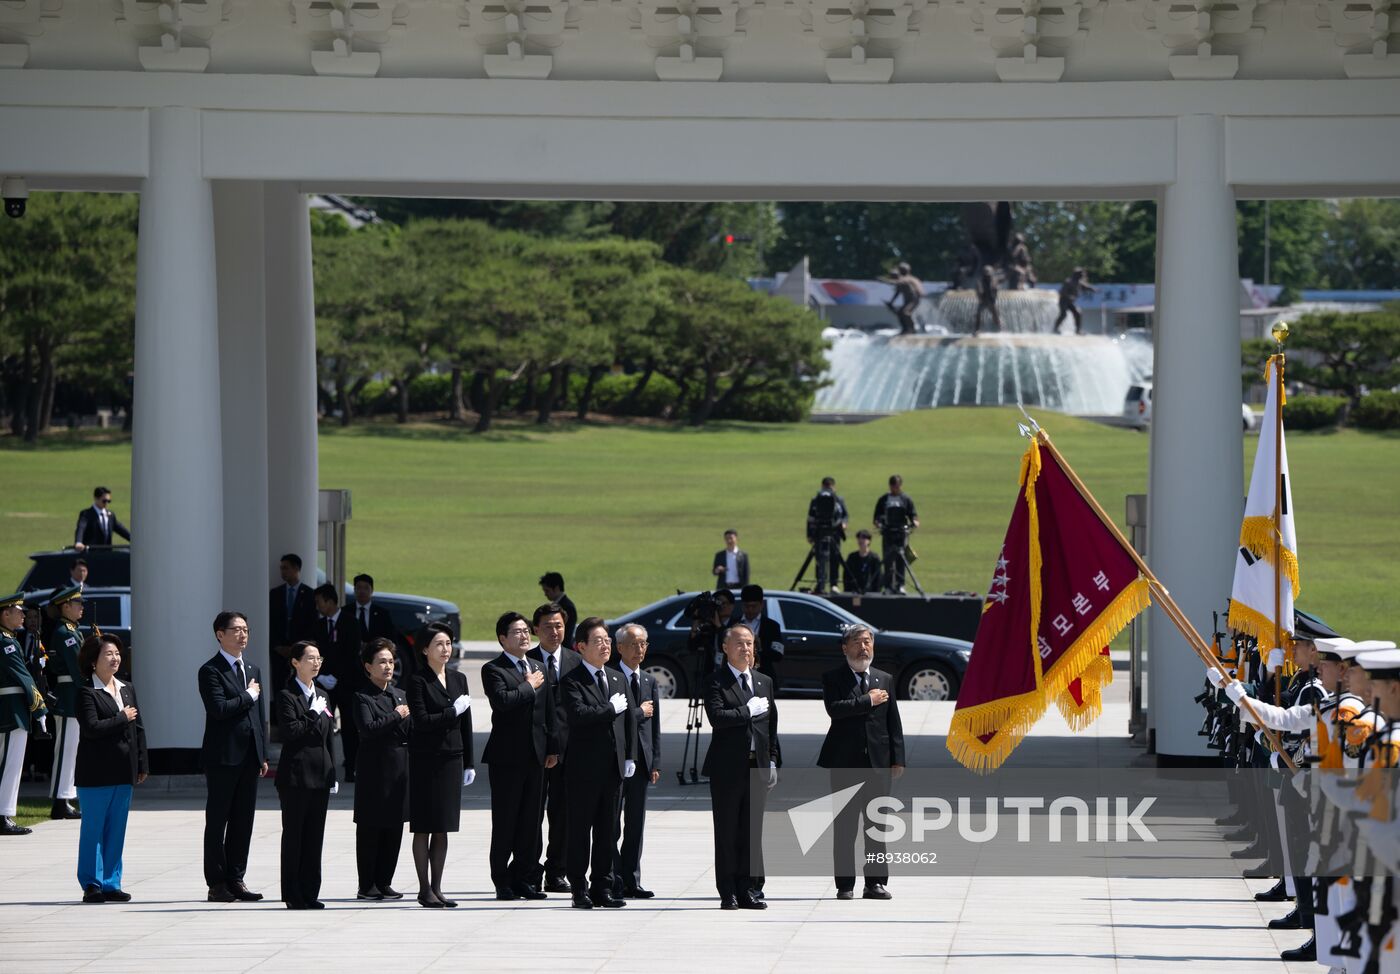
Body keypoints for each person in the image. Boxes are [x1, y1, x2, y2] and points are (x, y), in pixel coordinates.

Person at [817, 624, 904, 901]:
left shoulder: (884, 678)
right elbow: (836, 710)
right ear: (845, 648)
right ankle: (845, 884)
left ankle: (875, 882)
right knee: (845, 827)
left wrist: (897, 758)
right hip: (844, 764)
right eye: (857, 642)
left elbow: (893, 722)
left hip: (878, 765)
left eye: (867, 642)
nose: (863, 647)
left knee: (876, 825)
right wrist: (868, 700)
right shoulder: (834, 678)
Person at [482, 611, 557, 901]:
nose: (524, 636)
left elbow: (549, 711)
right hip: (507, 759)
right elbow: (503, 703)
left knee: (531, 821)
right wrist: (529, 686)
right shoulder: (493, 669)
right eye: (517, 632)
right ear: (503, 639)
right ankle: (502, 880)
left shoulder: (539, 666)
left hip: (536, 756)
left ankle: (525, 878)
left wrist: (552, 748)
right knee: (506, 821)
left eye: (526, 631)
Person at [561, 617, 635, 909]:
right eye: (598, 641)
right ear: (581, 647)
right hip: (583, 769)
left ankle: (602, 886)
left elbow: (628, 719)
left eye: (607, 640)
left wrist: (631, 756)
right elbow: (579, 715)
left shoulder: (617, 677)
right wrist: (608, 709)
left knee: (608, 831)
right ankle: (579, 888)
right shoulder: (571, 680)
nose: (605, 646)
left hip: (613, 768)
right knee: (580, 831)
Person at [703, 625, 778, 910]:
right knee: (727, 831)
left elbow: (771, 726)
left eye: (749, 644)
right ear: (725, 647)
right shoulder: (715, 681)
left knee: (751, 831)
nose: (745, 649)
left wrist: (771, 759)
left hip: (755, 766)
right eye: (739, 644)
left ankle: (748, 888)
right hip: (727, 769)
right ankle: (728, 890)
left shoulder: (763, 682)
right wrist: (748, 711)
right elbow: (718, 717)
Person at [198, 610, 268, 903]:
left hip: (249, 756)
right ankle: (217, 882)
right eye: (236, 630)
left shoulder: (251, 669)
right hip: (223, 756)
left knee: (244, 820)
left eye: (246, 630)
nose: (243, 635)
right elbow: (219, 709)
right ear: (220, 634)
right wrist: (248, 696)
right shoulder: (210, 671)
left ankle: (236, 877)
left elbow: (259, 715)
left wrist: (262, 753)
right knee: (218, 820)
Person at [74, 632, 147, 902]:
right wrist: (121, 717)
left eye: (117, 653)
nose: (115, 658)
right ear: (93, 661)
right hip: (96, 773)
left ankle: (111, 883)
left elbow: (138, 729)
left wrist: (142, 763)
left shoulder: (127, 688)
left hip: (123, 771)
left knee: (117, 829)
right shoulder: (86, 692)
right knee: (93, 830)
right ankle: (91, 884)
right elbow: (92, 729)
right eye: (108, 654)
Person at [407, 622, 474, 908]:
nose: (445, 649)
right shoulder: (417, 681)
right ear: (425, 649)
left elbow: (467, 723)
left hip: (452, 758)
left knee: (443, 826)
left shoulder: (459, 679)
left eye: (448, 643)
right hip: (426, 759)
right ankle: (424, 888)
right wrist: (450, 712)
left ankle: (437, 886)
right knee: (424, 825)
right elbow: (421, 722)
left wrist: (469, 761)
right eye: (438, 644)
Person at [274, 640, 336, 910]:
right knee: (295, 836)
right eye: (310, 658)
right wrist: (312, 712)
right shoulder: (287, 695)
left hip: (320, 773)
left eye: (318, 658)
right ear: (295, 662)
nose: (316, 662)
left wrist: (333, 769)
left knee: (315, 836)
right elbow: (292, 732)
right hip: (296, 775)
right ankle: (293, 892)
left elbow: (328, 736)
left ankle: (311, 891)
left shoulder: (322, 693)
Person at [527, 601, 581, 892]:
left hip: (569, 750)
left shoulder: (575, 660)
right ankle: (530, 871)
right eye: (547, 626)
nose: (554, 631)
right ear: (536, 629)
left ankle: (557, 871)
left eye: (559, 625)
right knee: (532, 814)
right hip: (535, 750)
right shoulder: (527, 659)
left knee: (563, 815)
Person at [353, 638, 411, 901]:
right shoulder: (362, 697)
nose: (388, 666)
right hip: (374, 772)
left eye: (390, 661)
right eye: (382, 662)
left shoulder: (399, 694)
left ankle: (385, 881)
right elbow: (368, 730)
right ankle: (367, 884)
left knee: (394, 828)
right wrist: (396, 716)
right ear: (368, 666)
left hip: (399, 769)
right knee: (371, 829)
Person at [612, 623, 659, 899]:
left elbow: (655, 727)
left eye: (643, 644)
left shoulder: (648, 681)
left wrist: (656, 761)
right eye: (633, 644)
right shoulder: (612, 676)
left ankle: (632, 879)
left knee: (635, 825)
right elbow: (620, 717)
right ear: (619, 648)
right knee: (612, 824)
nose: (639, 649)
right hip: (617, 759)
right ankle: (614, 876)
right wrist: (639, 712)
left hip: (642, 761)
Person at [1, 591, 45, 836]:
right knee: (10, 762)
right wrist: (40, 707)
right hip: (11, 709)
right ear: (5, 613)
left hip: (13, 706)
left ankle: (4, 813)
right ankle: (2, 815)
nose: (23, 615)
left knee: (11, 762)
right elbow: (23, 677)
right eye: (18, 611)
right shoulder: (6, 641)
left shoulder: (9, 638)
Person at [45, 584, 87, 820]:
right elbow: (77, 668)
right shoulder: (65, 633)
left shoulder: (72, 630)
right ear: (66, 606)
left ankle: (66, 798)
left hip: (73, 695)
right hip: (69, 695)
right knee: (66, 751)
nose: (81, 607)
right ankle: (60, 802)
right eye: (77, 603)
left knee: (72, 750)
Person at [312, 583, 360, 780]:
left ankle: (351, 768)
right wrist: (321, 675)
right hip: (325, 685)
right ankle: (327, 768)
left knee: (349, 727)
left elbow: (352, 653)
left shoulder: (350, 622)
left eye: (320, 602)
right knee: (324, 725)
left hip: (347, 683)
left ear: (330, 601)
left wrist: (337, 676)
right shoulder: (319, 625)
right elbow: (316, 652)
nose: (318, 606)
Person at [268, 554, 316, 696]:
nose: (282, 572)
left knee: (300, 687)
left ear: (296, 569)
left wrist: (297, 647)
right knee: (278, 686)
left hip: (300, 650)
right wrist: (277, 646)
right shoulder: (275, 594)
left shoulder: (309, 594)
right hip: (278, 651)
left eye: (285, 568)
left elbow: (311, 623)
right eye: (281, 568)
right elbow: (272, 622)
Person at [873, 475, 920, 594]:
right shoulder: (884, 499)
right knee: (888, 560)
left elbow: (912, 514)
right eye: (893, 486)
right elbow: (876, 517)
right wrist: (879, 524)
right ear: (890, 486)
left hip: (901, 534)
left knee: (901, 560)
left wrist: (914, 521)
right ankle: (888, 586)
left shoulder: (906, 499)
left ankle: (900, 584)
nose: (895, 489)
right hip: (888, 534)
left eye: (897, 486)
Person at [806, 477, 848, 595]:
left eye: (829, 488)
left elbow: (845, 515)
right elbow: (810, 518)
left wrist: (844, 523)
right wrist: (809, 534)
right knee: (820, 559)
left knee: (835, 558)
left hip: (834, 533)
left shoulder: (839, 500)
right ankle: (821, 584)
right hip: (820, 533)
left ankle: (834, 584)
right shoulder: (816, 500)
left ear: (834, 488)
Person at [738, 585, 784, 692]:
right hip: (738, 678)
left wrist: (760, 647)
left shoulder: (772, 626)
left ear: (761, 604)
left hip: (763, 675)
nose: (750, 610)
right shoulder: (735, 624)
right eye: (746, 606)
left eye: (753, 606)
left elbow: (778, 654)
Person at [73, 486, 131, 552]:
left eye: (108, 501)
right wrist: (78, 542)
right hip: (91, 554)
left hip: (107, 555)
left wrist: (135, 540)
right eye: (104, 501)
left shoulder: (110, 515)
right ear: (96, 498)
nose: (106, 503)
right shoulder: (86, 514)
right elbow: (81, 528)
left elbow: (121, 530)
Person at [879, 262, 922, 335]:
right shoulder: (902, 280)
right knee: (900, 313)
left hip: (913, 300)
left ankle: (912, 329)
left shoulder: (908, 279)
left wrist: (884, 280)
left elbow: (896, 283)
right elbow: (897, 293)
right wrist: (891, 303)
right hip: (908, 300)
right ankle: (905, 329)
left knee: (905, 312)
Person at [538, 572, 577, 647]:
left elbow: (565, 635)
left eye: (547, 590)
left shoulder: (566, 607)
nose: (545, 594)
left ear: (556, 588)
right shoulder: (561, 604)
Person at [1054, 268, 1097, 334]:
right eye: (1080, 274)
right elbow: (1062, 292)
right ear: (1076, 275)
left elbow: (1086, 287)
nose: (1082, 276)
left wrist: (1094, 289)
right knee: (1063, 314)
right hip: (1063, 301)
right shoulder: (1069, 282)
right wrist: (1069, 296)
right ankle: (1055, 328)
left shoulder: (1078, 282)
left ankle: (1077, 330)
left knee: (1078, 314)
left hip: (1069, 302)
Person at [843, 530, 883, 596]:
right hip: (854, 592)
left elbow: (878, 577)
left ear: (869, 541)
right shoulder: (852, 557)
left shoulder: (874, 558)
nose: (861, 540)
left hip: (870, 593)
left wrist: (876, 593)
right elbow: (846, 575)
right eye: (859, 538)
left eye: (864, 538)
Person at [973, 265, 1000, 335]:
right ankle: (977, 329)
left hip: (991, 301)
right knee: (978, 314)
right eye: (986, 273)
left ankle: (1000, 328)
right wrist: (980, 296)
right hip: (984, 300)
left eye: (989, 273)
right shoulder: (980, 281)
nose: (987, 275)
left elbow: (995, 289)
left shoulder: (994, 280)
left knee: (995, 315)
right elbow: (978, 290)